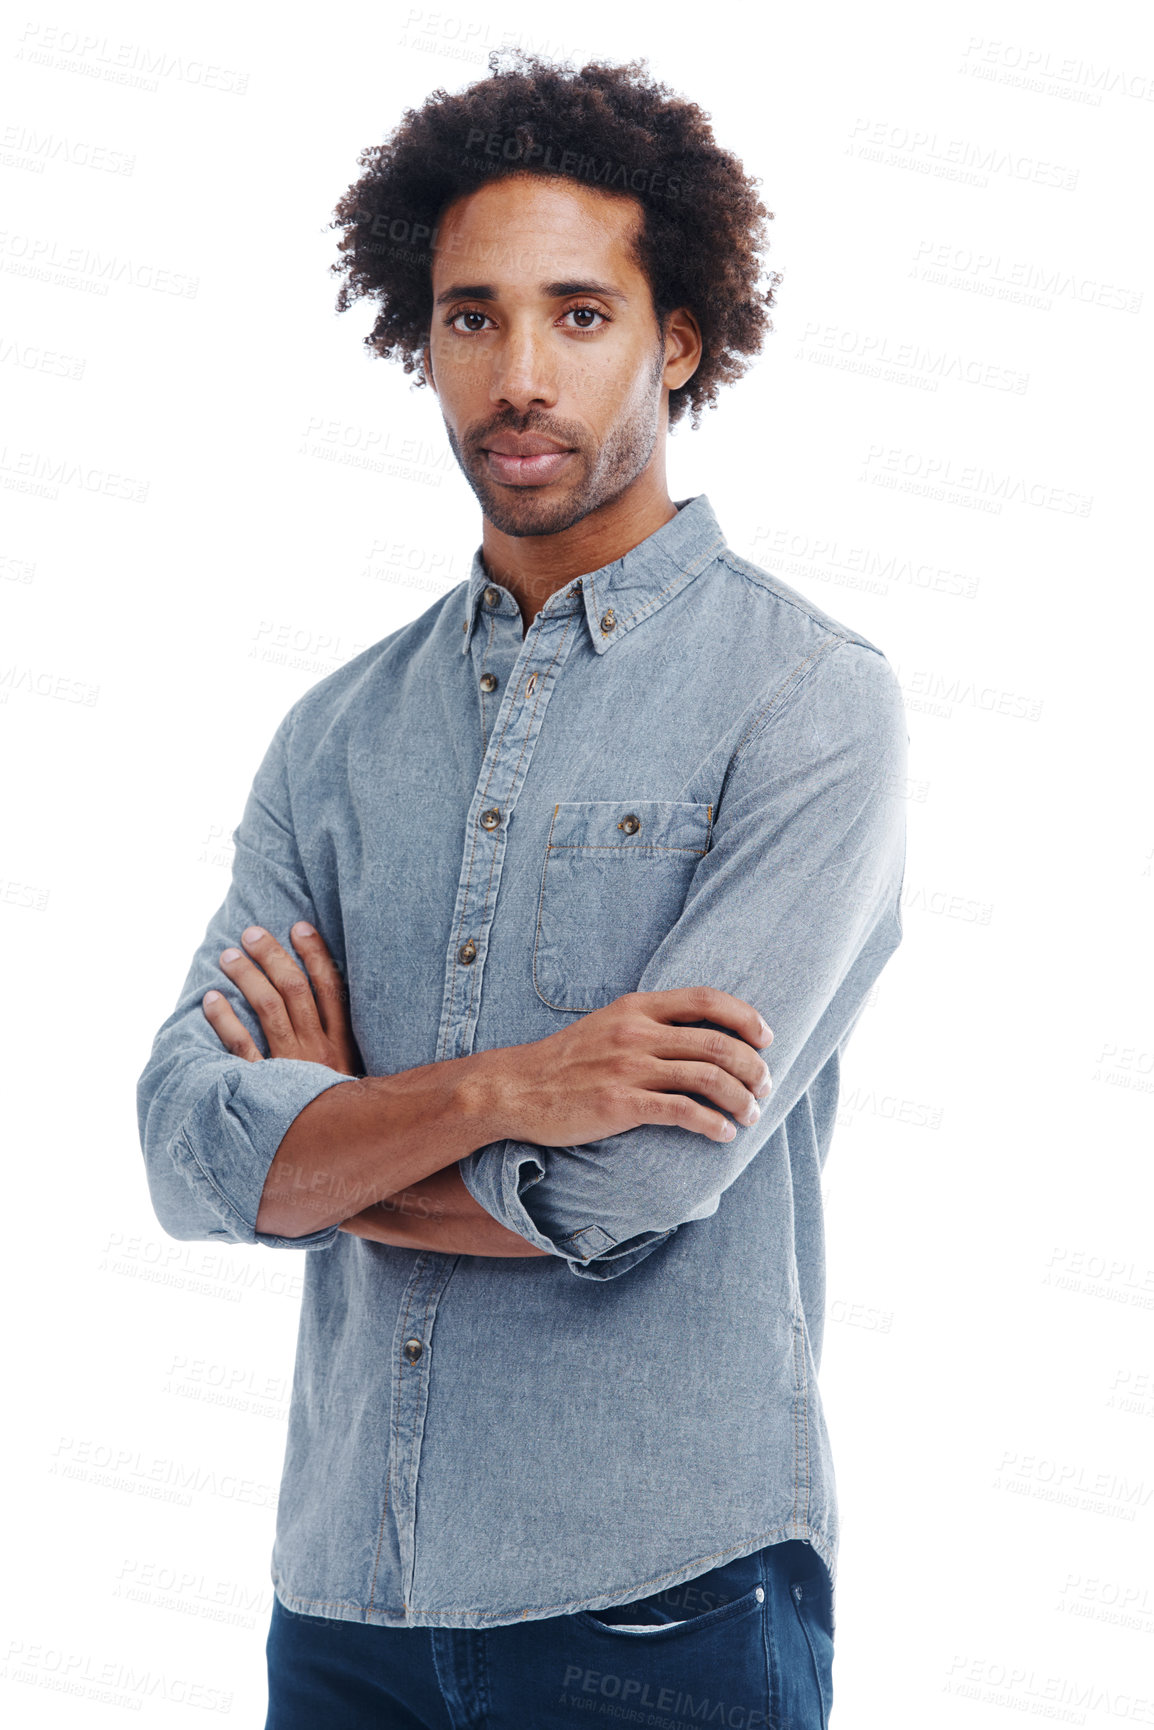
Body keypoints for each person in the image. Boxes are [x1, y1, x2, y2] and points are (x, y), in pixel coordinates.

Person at [136, 48, 907, 1730]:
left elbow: (630, 1183)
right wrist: (509, 1089)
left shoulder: (805, 704)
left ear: (677, 339)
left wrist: (332, 1141)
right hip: (341, 1606)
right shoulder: (334, 733)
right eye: (470, 318)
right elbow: (187, 1140)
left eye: (576, 313)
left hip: (654, 1607)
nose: (517, 374)